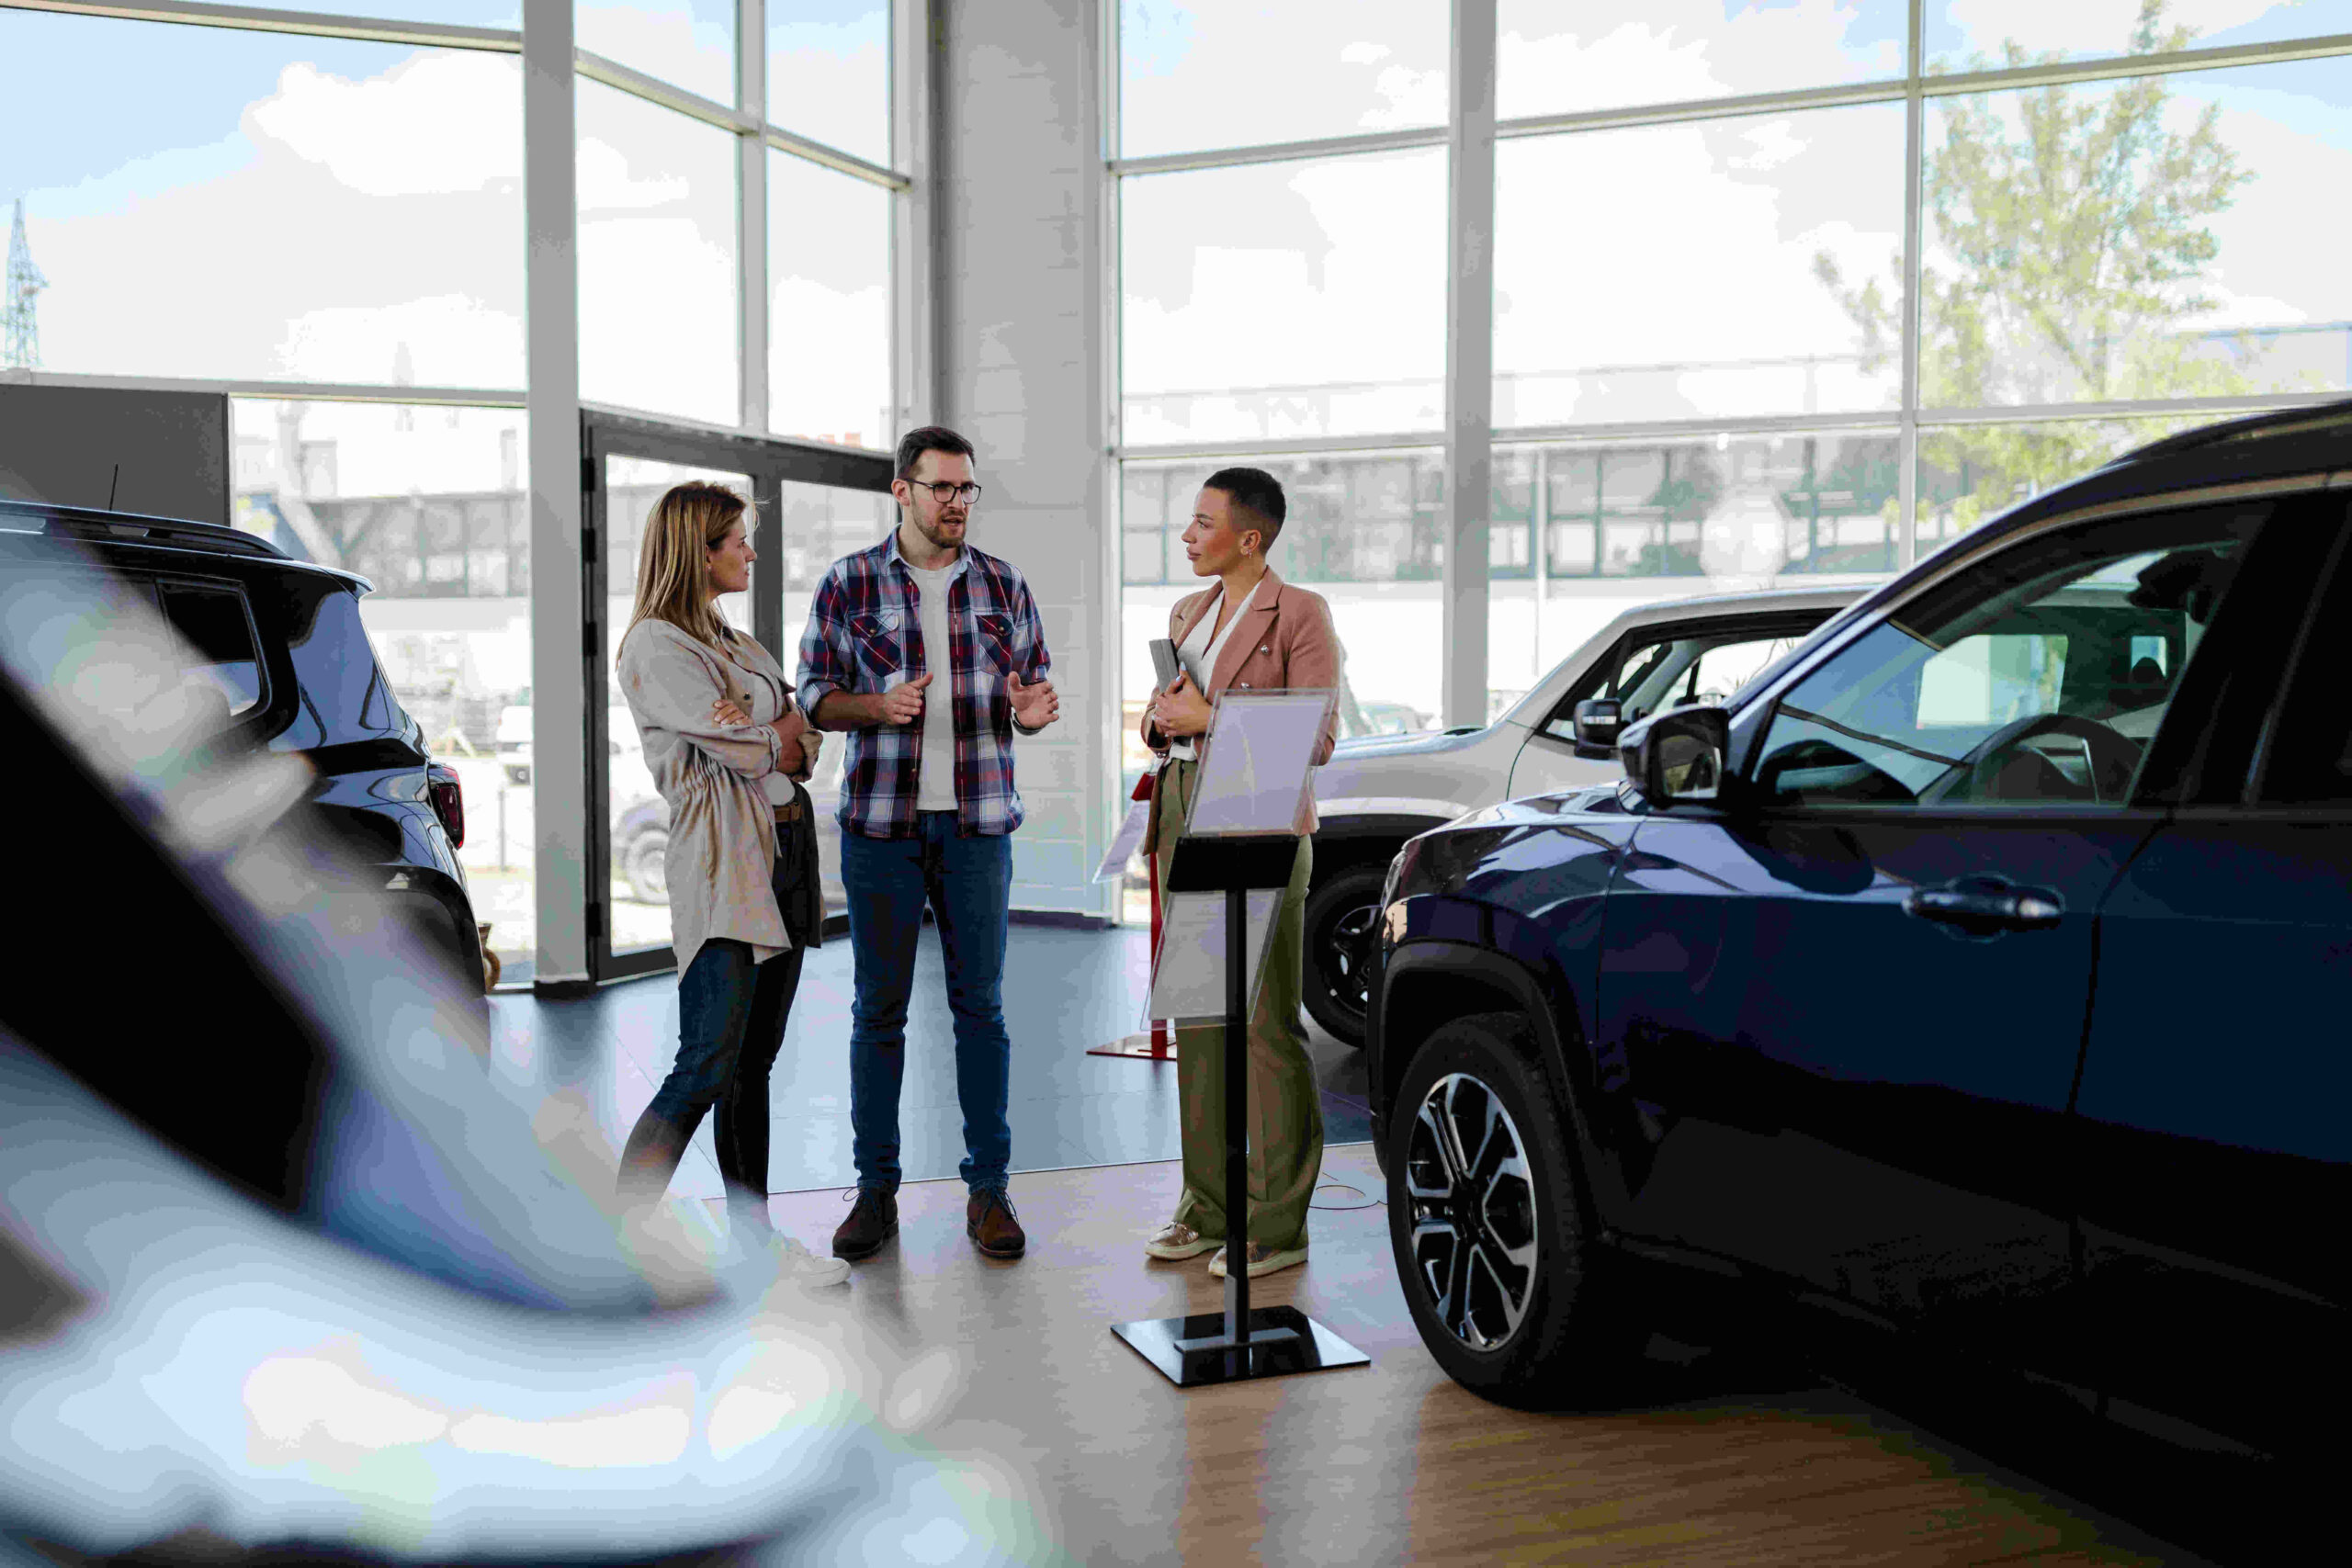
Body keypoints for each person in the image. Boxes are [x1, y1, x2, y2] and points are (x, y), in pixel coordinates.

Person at [798, 426, 1060, 1263]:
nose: (956, 502)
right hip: (882, 829)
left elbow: (1031, 691)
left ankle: (990, 1190)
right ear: (902, 491)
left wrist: (1032, 713)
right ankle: (875, 1191)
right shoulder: (849, 582)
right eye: (941, 487)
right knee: (878, 1012)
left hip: (978, 827)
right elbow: (813, 694)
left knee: (981, 1010)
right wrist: (875, 707)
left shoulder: (1004, 585)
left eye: (966, 488)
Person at [613, 481, 845, 1287]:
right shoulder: (655, 645)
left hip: (787, 852)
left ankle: (754, 1248)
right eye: (737, 540)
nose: (750, 551)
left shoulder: (737, 642)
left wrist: (776, 734)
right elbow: (750, 744)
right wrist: (774, 734)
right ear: (698, 550)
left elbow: (802, 735)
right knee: (706, 1062)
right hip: (725, 862)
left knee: (753, 1066)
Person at [1139, 467, 1340, 1280]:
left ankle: (1277, 1222)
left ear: (1249, 537)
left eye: (1203, 522)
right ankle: (1207, 1205)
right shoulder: (1189, 611)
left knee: (1263, 1025)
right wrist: (1163, 721)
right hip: (1183, 808)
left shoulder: (1301, 613)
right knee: (1199, 1017)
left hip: (1258, 817)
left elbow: (1316, 737)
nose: (1188, 535)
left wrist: (1205, 717)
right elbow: (1171, 716)